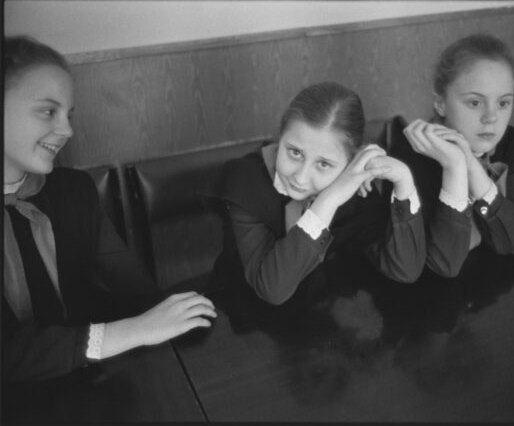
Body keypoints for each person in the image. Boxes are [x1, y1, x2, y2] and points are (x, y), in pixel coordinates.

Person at [3, 35, 217, 382]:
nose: (67, 130)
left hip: (92, 383)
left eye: (68, 114)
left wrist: (175, 316)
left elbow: (134, 288)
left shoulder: (74, 190)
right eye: (48, 111)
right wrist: (133, 331)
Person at [213, 81, 426, 306]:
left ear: (349, 161)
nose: (301, 177)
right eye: (294, 152)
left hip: (316, 310)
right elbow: (272, 289)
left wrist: (404, 181)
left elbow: (405, 269)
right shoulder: (246, 179)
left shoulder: (354, 181)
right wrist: (330, 199)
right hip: (240, 312)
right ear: (281, 136)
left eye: (323, 164)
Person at [389, 33, 514, 278]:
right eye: (475, 103)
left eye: (503, 103)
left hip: (487, 283)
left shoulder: (512, 142)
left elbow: (511, 241)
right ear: (440, 104)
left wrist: (472, 167)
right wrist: (455, 166)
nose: (491, 118)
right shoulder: (409, 157)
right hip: (422, 300)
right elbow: (443, 264)